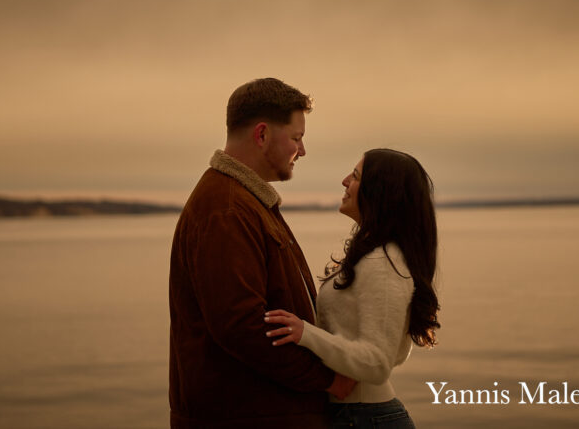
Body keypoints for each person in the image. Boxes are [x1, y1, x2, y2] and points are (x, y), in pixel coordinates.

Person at [168, 77, 355, 428]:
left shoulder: (244, 201)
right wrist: (326, 379)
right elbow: (242, 326)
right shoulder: (226, 210)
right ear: (262, 135)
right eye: (297, 138)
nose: (302, 150)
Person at [264, 148, 441, 429]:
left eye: (356, 176)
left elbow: (378, 362)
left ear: (379, 192)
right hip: (358, 415)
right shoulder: (375, 257)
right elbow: (392, 349)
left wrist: (305, 334)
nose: (345, 181)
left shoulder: (383, 263)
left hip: (367, 417)